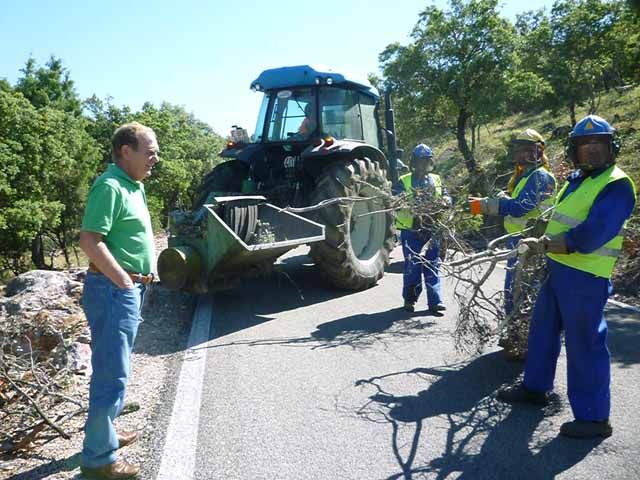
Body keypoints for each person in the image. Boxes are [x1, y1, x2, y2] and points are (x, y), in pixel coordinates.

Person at [496, 115, 636, 439]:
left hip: (586, 276)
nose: (591, 151)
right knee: (542, 331)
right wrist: (540, 232)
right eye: (584, 145)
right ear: (574, 150)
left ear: (611, 147)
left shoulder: (616, 184)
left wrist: (547, 244)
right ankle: (535, 388)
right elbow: (560, 218)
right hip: (558, 268)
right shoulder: (578, 179)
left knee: (584, 343)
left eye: (598, 144)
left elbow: (592, 233)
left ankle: (593, 418)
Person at [78, 122, 159, 479]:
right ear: (126, 150)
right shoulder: (110, 186)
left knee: (117, 368)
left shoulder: (133, 185)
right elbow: (89, 240)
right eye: (150, 150)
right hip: (114, 291)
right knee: (112, 373)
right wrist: (125, 282)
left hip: (125, 290)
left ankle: (105, 434)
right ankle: (99, 461)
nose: (155, 158)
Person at [469, 129, 556, 316]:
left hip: (531, 242)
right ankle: (513, 328)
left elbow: (519, 208)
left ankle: (520, 330)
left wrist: (483, 206)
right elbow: (514, 201)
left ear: (539, 152)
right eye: (519, 150)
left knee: (521, 289)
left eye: (527, 150)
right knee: (513, 289)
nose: (522, 155)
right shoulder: (524, 177)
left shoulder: (540, 176)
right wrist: (499, 198)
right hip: (517, 240)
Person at [395, 144, 452, 313]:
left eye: (425, 161)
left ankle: (435, 302)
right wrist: (406, 204)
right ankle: (410, 300)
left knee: (432, 265)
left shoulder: (436, 179)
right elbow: (395, 199)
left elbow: (446, 195)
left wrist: (446, 201)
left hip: (432, 229)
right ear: (413, 162)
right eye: (419, 162)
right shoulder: (404, 180)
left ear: (430, 162)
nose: (422, 165)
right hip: (411, 230)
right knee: (413, 266)